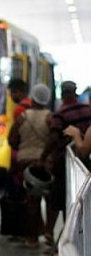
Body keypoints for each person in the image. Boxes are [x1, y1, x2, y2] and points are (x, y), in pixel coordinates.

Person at [42, 80, 91, 246]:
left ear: (62, 95)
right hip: (86, 165)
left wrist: (44, 157)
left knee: (64, 199)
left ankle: (66, 237)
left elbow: (54, 138)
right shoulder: (87, 110)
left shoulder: (60, 114)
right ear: (75, 92)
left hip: (67, 163)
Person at [8, 83, 52, 248]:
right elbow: (55, 138)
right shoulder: (50, 117)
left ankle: (32, 238)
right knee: (49, 199)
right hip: (45, 162)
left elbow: (12, 140)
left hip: (25, 162)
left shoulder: (22, 117)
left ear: (33, 98)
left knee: (31, 201)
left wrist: (23, 147)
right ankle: (49, 232)